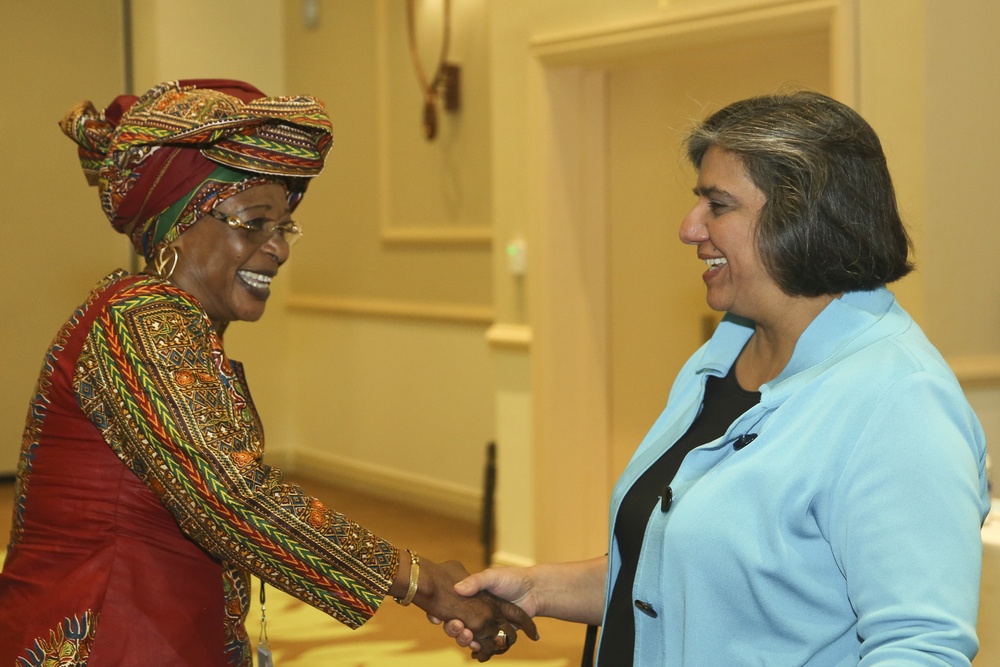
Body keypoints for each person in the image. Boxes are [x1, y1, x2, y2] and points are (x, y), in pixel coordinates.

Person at [437, 90, 990, 665]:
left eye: (717, 205)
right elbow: (689, 573)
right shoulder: (726, 349)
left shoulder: (900, 401)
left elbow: (921, 648)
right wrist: (542, 589)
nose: (688, 228)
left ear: (804, 215)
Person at [0, 79, 535, 666]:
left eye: (283, 227)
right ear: (178, 223)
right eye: (253, 223)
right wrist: (422, 581)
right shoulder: (143, 316)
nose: (278, 248)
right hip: (111, 639)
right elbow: (234, 500)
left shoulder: (152, 316)